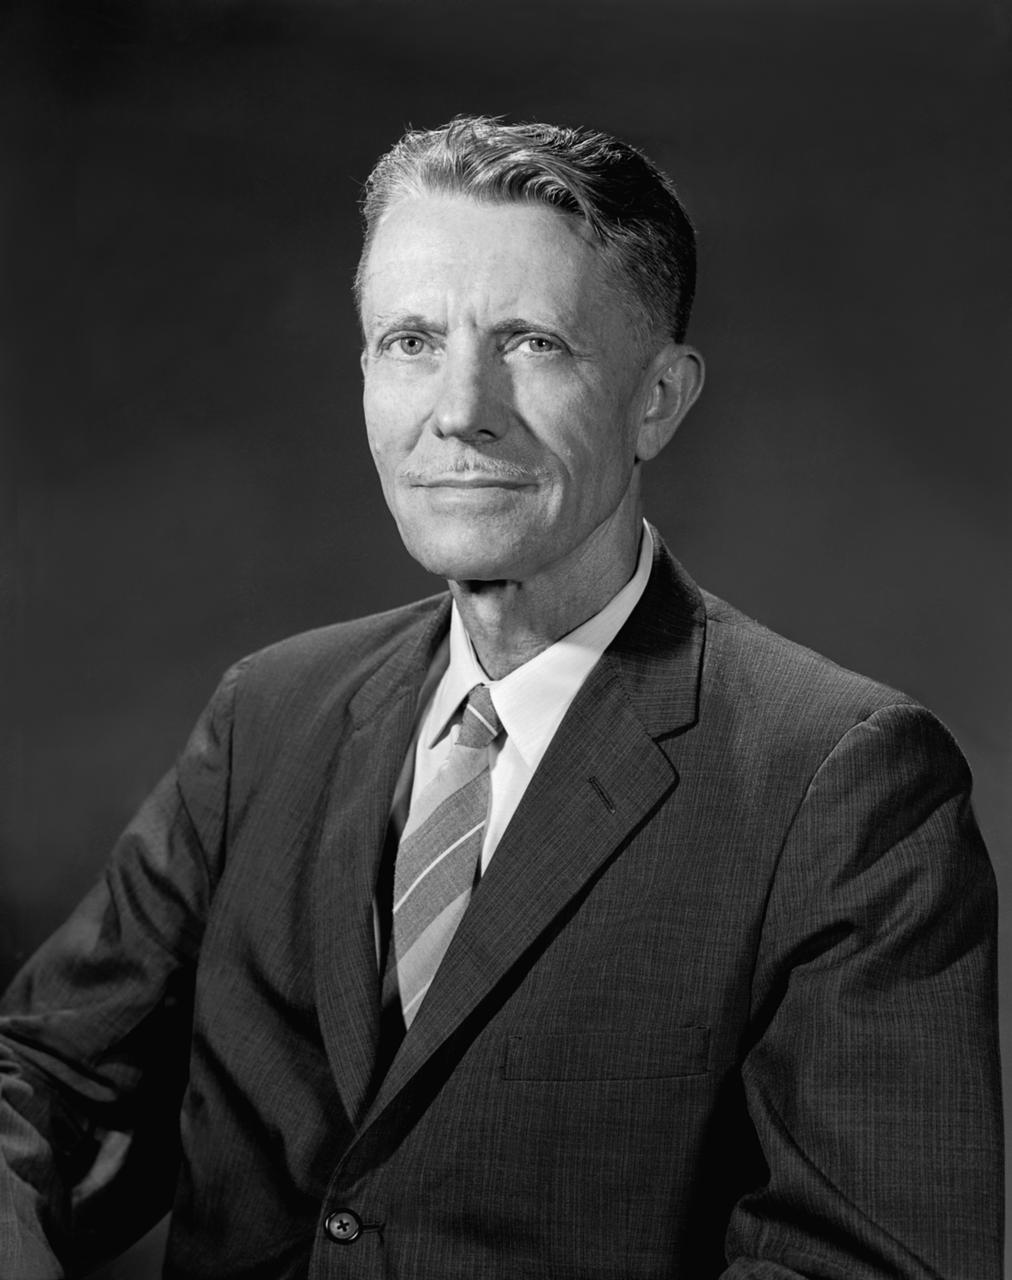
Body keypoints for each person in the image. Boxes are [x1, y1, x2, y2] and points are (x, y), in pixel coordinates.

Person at [0, 115, 1002, 1279]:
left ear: (658, 400)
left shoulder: (840, 779)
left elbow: (865, 1263)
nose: (458, 407)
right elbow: (49, 1079)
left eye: (531, 341)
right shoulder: (268, 709)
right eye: (411, 339)